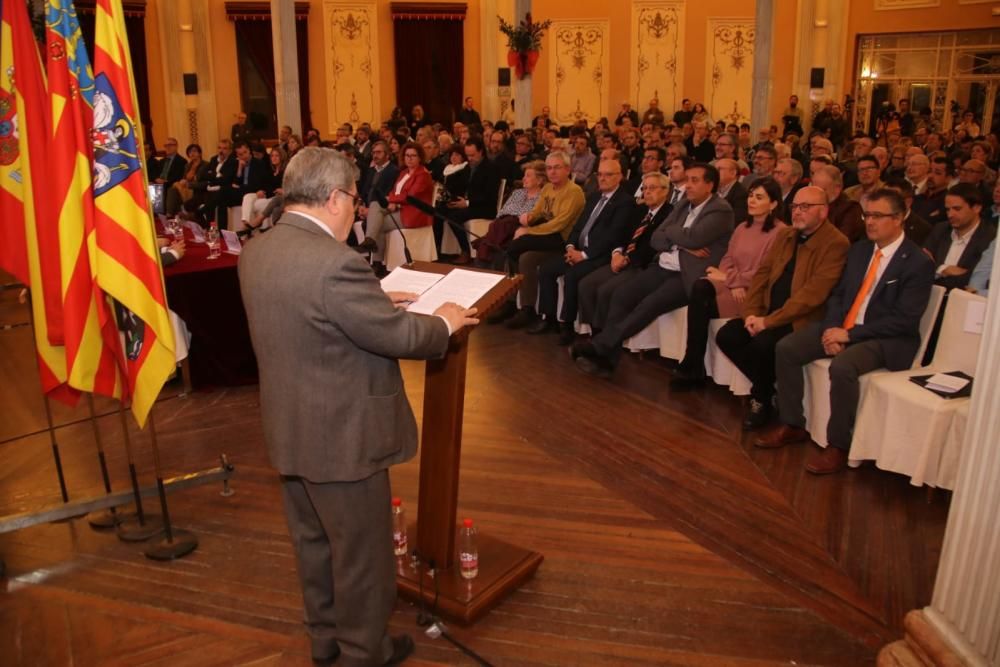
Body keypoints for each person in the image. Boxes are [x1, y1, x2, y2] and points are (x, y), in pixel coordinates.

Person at [239, 147, 478, 667]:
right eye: (353, 197)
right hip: (344, 439)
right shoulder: (334, 263)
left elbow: (312, 317)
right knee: (362, 559)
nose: (357, 209)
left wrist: (370, 299)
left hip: (290, 428)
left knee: (314, 548)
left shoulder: (258, 249)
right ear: (332, 198)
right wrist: (446, 322)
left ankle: (327, 642)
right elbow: (396, 336)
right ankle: (364, 654)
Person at [758, 189, 935, 474]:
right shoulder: (860, 249)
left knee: (843, 367)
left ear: (900, 218)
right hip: (844, 326)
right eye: (867, 215)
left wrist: (849, 335)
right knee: (788, 347)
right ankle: (792, 423)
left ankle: (838, 446)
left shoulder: (917, 262)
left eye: (878, 216)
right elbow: (838, 295)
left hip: (885, 338)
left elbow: (904, 319)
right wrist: (832, 329)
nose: (870, 222)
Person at [573, 163, 735, 377]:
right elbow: (656, 238)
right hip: (663, 265)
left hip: (687, 275)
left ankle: (600, 346)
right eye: (688, 179)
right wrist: (684, 241)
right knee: (622, 295)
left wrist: (677, 235)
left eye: (695, 180)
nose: (689, 185)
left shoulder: (720, 209)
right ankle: (607, 360)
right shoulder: (683, 204)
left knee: (650, 304)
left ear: (710, 185)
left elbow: (695, 237)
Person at [715, 186, 850, 429]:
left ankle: (760, 398)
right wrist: (751, 314)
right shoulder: (786, 235)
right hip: (767, 312)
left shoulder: (836, 243)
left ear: (823, 211)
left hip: (800, 319)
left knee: (763, 344)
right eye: (795, 206)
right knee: (728, 335)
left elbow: (812, 295)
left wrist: (767, 322)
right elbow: (761, 277)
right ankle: (767, 390)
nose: (798, 212)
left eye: (805, 207)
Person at [671, 178, 786, 390]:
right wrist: (733, 281)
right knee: (701, 287)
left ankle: (693, 365)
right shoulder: (743, 226)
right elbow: (727, 258)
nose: (751, 200)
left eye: (759, 197)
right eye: (751, 195)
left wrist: (731, 280)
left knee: (702, 300)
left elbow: (765, 272)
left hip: (755, 293)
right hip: (735, 285)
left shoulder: (780, 232)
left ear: (773, 204)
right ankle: (693, 362)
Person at [530, 159, 635, 344]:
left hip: (600, 255)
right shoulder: (594, 197)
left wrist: (584, 255)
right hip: (578, 250)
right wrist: (571, 247)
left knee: (572, 275)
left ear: (619, 177)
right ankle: (549, 317)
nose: (602, 178)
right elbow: (578, 227)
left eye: (608, 175)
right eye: (600, 174)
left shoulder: (624, 202)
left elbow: (613, 236)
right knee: (546, 269)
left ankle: (567, 325)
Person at [577, 172, 674, 330]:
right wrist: (616, 254)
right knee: (586, 284)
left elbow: (653, 246)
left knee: (606, 290)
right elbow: (621, 235)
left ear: (665, 190)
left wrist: (626, 259)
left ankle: (604, 335)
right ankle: (593, 330)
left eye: (652, 188)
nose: (647, 192)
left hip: (642, 264)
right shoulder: (640, 210)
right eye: (645, 188)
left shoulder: (670, 214)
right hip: (621, 258)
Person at [503, 152, 587, 329]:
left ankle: (521, 306)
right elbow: (539, 211)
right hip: (547, 235)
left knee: (514, 247)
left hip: (562, 239)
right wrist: (528, 218)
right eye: (549, 168)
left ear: (567, 169)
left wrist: (528, 231)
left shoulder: (574, 192)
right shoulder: (548, 188)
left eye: (557, 167)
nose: (553, 172)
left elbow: (559, 224)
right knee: (521, 255)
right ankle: (516, 304)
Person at [359, 141, 434, 260]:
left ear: (420, 157)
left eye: (413, 155)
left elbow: (410, 195)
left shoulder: (423, 174)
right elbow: (394, 191)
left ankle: (376, 258)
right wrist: (392, 201)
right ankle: (371, 244)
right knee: (375, 204)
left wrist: (391, 200)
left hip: (414, 214)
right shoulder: (404, 172)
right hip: (399, 209)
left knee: (376, 224)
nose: (409, 159)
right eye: (406, 155)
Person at [922, 183, 996, 290]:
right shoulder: (940, 229)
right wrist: (943, 269)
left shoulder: (990, 238)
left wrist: (935, 268)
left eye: (957, 209)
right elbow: (922, 264)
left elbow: (976, 278)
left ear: (976, 208)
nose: (950, 214)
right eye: (948, 209)